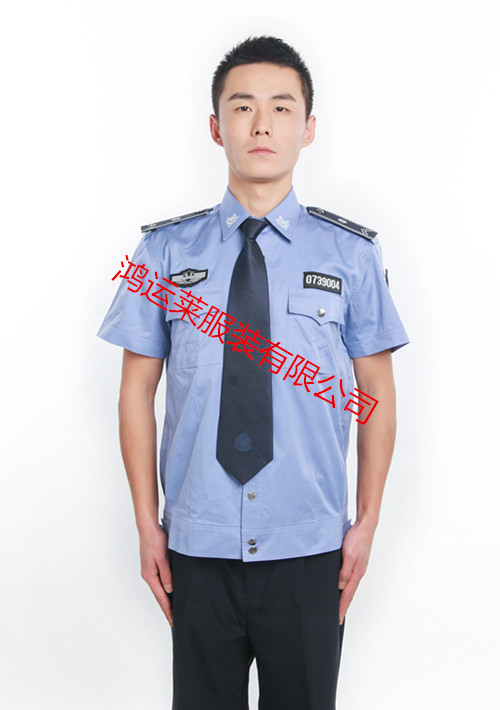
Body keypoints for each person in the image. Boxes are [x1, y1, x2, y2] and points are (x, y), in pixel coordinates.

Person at [98, 35, 409, 710]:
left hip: (310, 546)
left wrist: (367, 522)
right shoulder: (163, 252)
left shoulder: (351, 255)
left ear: (308, 127)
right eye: (242, 107)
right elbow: (136, 392)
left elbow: (377, 394)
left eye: (281, 107)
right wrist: (147, 524)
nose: (261, 124)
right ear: (216, 128)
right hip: (198, 542)